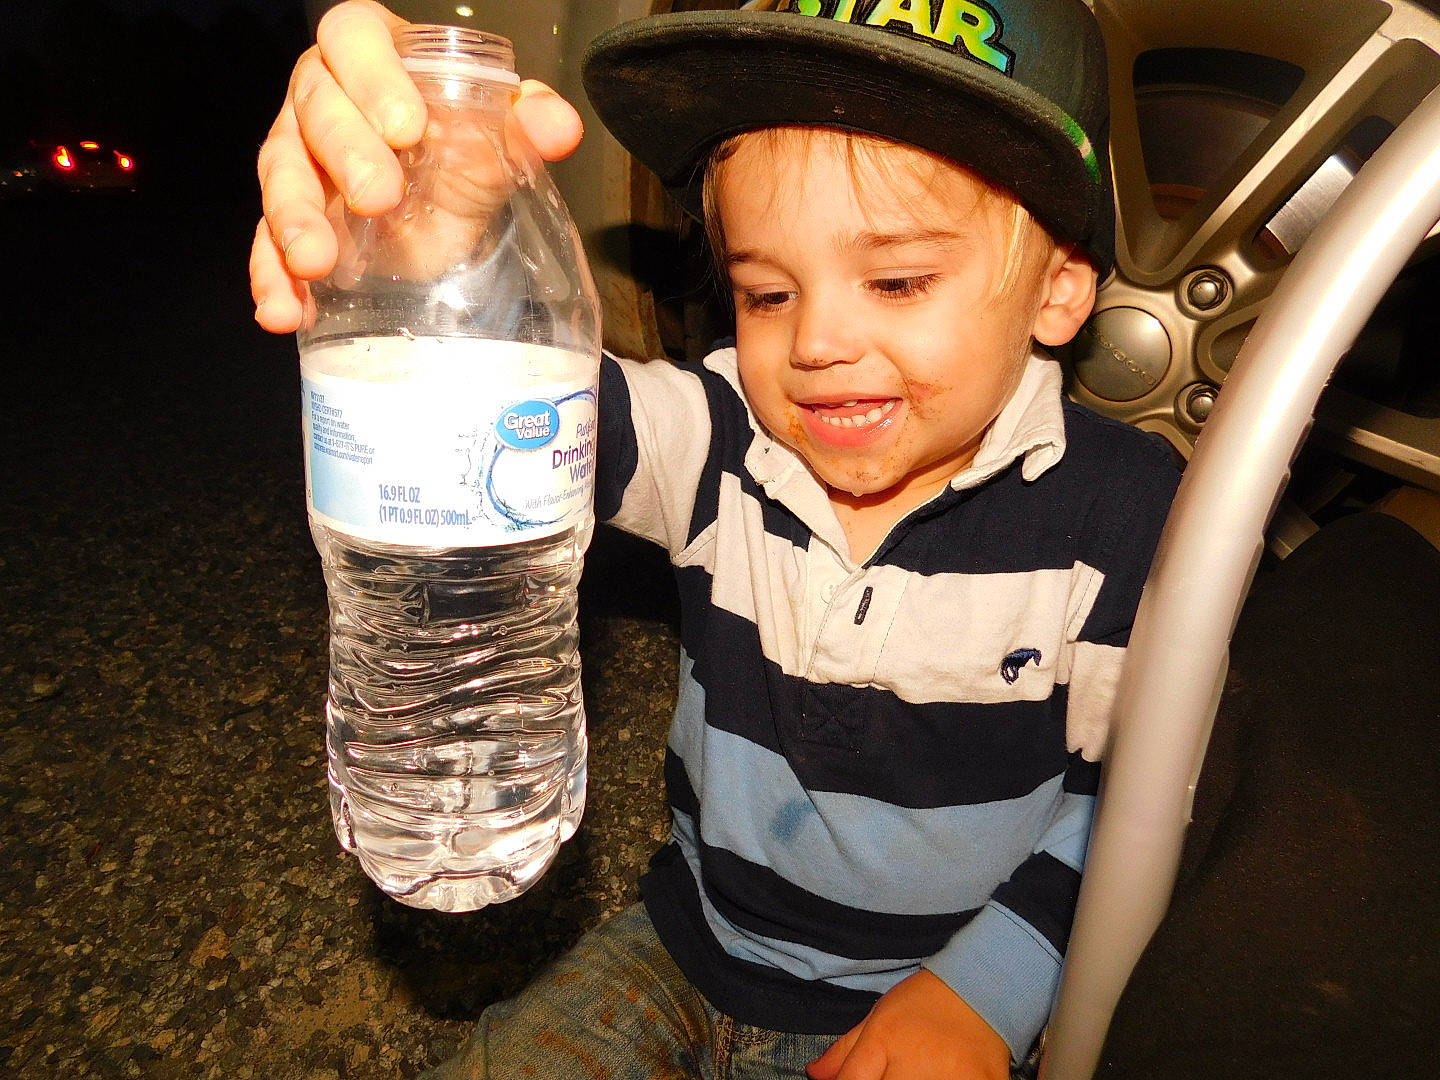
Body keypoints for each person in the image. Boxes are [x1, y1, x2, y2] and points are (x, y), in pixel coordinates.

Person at [250, 2, 1180, 1077]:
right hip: (686, 946)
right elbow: (500, 423)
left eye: (898, 280)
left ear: (1059, 289)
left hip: (940, 991)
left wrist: (989, 994)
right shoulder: (722, 432)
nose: (818, 342)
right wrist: (433, 251)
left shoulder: (1123, 513)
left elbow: (1140, 806)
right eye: (766, 292)